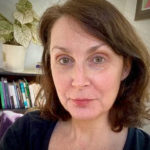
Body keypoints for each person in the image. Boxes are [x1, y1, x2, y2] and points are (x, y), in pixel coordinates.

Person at [0, 0, 150, 149]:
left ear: (125, 67)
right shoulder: (23, 133)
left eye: (98, 59)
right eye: (64, 60)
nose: (79, 81)